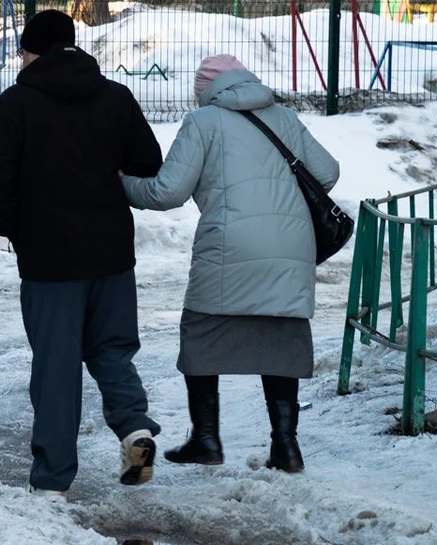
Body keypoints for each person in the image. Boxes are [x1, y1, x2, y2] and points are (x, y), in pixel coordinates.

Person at [120, 54, 340, 473]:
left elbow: (168, 192)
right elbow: (326, 173)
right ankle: (287, 448)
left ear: (206, 91)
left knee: (202, 330)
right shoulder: (284, 117)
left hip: (230, 242)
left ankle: (206, 439)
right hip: (291, 246)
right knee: (280, 337)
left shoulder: (203, 123)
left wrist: (120, 184)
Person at [0, 10, 165, 500]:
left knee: (57, 367)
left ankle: (53, 482)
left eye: (22, 50)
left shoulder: (16, 103)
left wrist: (16, 227)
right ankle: (134, 430)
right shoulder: (115, 96)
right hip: (111, 254)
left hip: (50, 260)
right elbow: (148, 161)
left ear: (33, 51)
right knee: (112, 351)